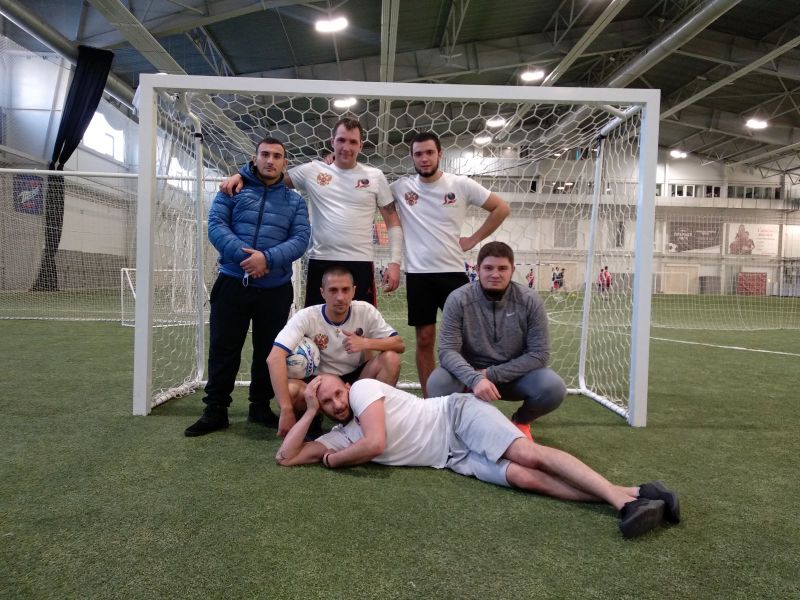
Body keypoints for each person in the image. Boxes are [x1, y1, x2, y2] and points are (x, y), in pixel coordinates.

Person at [275, 375, 681, 539]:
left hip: (456, 415)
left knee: (527, 454)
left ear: (347, 388)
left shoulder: (364, 389)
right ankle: (640, 493)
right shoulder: (339, 435)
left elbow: (376, 443)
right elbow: (286, 457)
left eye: (337, 393)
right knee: (524, 478)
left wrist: (333, 461)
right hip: (453, 458)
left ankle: (622, 504)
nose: (336, 403)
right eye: (327, 402)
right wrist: (307, 411)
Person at [185, 137, 310, 437]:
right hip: (232, 281)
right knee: (223, 348)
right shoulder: (232, 190)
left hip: (275, 288)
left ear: (285, 163)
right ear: (254, 159)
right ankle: (215, 409)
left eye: (277, 156)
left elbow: (300, 239)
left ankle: (260, 407)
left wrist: (266, 259)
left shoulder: (295, 202)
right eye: (265, 154)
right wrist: (247, 259)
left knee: (269, 350)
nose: (270, 160)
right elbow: (216, 226)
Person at [220, 117, 403, 307]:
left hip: (360, 262)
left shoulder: (375, 176)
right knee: (317, 324)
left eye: (352, 142)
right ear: (332, 142)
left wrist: (395, 263)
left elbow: (392, 222)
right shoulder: (313, 171)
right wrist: (242, 175)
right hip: (321, 260)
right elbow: (271, 176)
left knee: (362, 323)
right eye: (341, 140)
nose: (346, 147)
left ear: (361, 146)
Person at [390, 131, 510, 396]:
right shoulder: (401, 187)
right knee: (424, 339)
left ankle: (470, 394)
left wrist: (474, 239)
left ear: (440, 154)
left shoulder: (461, 184)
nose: (424, 158)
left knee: (466, 341)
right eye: (418, 154)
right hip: (419, 275)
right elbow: (373, 193)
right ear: (411, 157)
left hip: (453, 274)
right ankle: (430, 400)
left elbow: (501, 208)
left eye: (429, 152)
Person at [427, 242, 565, 441]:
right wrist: (474, 378)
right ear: (477, 269)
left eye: (502, 268)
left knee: (553, 387)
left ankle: (520, 422)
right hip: (468, 376)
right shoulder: (458, 299)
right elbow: (447, 351)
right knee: (437, 382)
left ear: (512, 270)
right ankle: (458, 426)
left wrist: (491, 374)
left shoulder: (530, 300)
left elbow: (539, 354)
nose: (495, 274)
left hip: (512, 376)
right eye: (488, 268)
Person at [267, 265, 405, 437]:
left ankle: (371, 419)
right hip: (318, 385)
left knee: (391, 359)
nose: (340, 297)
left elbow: (399, 344)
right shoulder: (306, 316)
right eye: (333, 290)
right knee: (290, 391)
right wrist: (286, 410)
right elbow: (274, 357)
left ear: (354, 291)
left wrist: (365, 343)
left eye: (345, 290)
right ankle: (312, 418)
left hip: (355, 379)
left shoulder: (365, 310)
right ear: (322, 292)